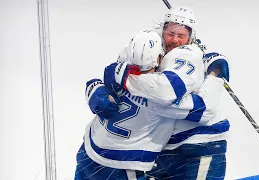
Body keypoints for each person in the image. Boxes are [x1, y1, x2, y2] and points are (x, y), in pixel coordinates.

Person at [75, 31, 226, 180]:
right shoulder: (159, 96)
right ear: (159, 58)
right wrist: (215, 75)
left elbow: (106, 78)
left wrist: (94, 86)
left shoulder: (119, 70)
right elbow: (205, 109)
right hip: (120, 166)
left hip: (88, 153)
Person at [102, 6, 230, 179]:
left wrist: (126, 80)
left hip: (200, 144)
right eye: (171, 34)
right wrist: (101, 83)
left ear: (190, 38)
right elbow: (121, 66)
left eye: (181, 36)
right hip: (167, 148)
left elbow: (166, 92)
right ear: (162, 31)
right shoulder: (151, 45)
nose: (175, 40)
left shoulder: (188, 54)